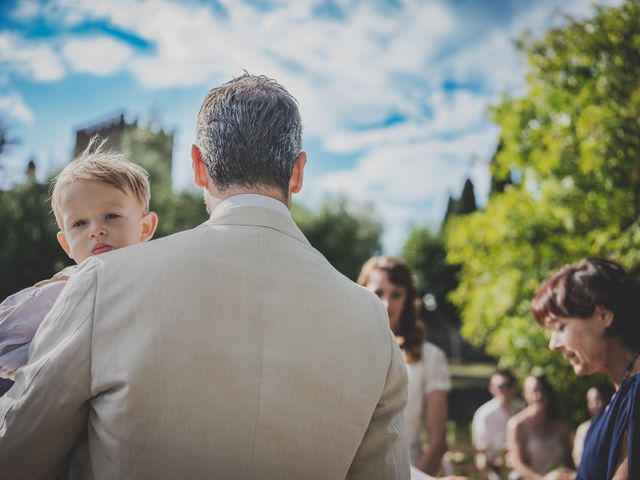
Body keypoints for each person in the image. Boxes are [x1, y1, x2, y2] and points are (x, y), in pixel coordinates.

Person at [0, 74, 410, 479]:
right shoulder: (372, 321)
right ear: (297, 172)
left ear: (198, 166)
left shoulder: (102, 282)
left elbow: (15, 451)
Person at [0, 140, 158, 385]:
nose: (96, 230)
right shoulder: (62, 292)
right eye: (80, 224)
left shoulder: (162, 279)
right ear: (66, 245)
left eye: (111, 216)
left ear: (145, 227)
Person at [532, 257, 640, 479]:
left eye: (561, 327)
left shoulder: (636, 394)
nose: (553, 345)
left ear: (603, 315)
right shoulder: (617, 399)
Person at [358, 256, 450, 476]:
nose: (387, 304)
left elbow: (438, 443)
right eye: (379, 293)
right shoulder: (349, 350)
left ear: (407, 298)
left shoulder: (431, 357)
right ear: (361, 292)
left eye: (396, 294)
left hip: (409, 470)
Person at [506, 375, 573, 480]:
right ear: (525, 394)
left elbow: (569, 461)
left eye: (542, 390)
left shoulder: (561, 426)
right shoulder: (517, 425)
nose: (539, 396)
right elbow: (517, 464)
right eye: (534, 391)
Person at [471, 369, 524, 479]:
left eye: (508, 385)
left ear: (514, 387)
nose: (504, 390)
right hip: (494, 467)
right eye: (500, 386)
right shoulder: (484, 415)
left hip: (521, 463)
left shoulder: (522, 410)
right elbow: (481, 449)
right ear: (492, 388)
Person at [571, 384, 613, 468]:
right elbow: (577, 457)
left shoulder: (613, 424)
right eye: (590, 401)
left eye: (597, 399)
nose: (594, 404)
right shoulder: (583, 429)